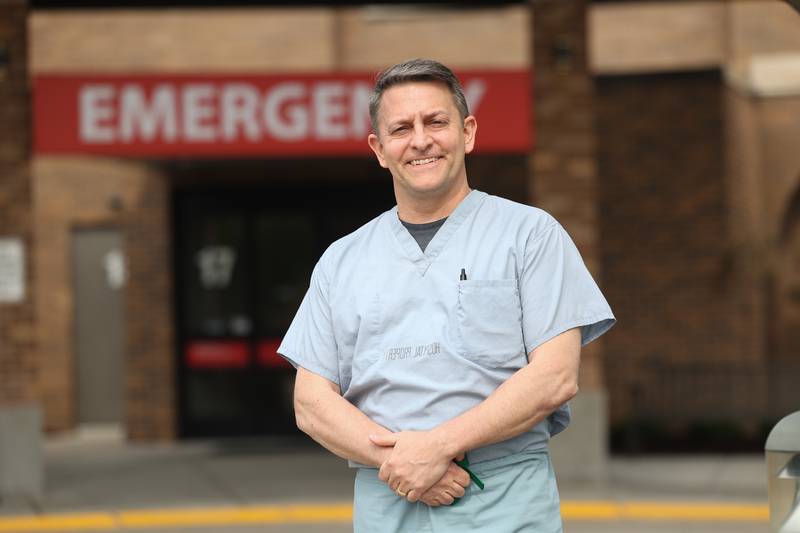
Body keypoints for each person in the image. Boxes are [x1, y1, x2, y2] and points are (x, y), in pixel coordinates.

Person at [278, 58, 615, 532]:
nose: (420, 140)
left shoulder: (531, 235)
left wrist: (435, 448)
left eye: (436, 121)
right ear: (379, 148)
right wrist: (404, 464)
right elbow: (311, 403)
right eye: (401, 128)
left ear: (468, 132)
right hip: (387, 498)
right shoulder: (342, 259)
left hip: (504, 499)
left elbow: (556, 377)